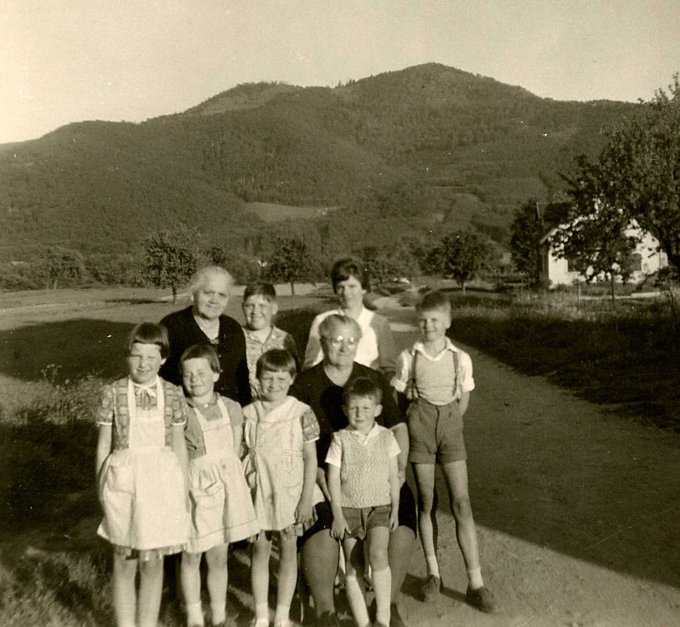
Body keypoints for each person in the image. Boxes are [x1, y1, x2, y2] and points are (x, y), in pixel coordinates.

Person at [291, 314, 416, 627]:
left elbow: (398, 426)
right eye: (335, 340)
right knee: (321, 523)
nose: (343, 347)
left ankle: (388, 605)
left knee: (400, 511)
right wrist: (314, 474)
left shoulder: (371, 378)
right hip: (322, 474)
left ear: (358, 344)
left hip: (375, 472)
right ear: (323, 343)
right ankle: (324, 609)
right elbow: (290, 436)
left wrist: (399, 469)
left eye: (350, 341)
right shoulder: (306, 383)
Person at [391, 291, 496, 613]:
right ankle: (433, 574)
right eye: (422, 320)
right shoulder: (409, 356)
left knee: (461, 503)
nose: (429, 326)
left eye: (435, 320)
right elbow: (399, 397)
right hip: (420, 428)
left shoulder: (459, 357)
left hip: (449, 429)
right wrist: (416, 420)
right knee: (427, 501)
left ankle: (475, 582)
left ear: (448, 322)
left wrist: (449, 420)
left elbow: (463, 398)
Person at [96, 322, 189, 627]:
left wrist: (183, 490)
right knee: (124, 560)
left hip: (162, 483)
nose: (144, 364)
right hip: (123, 481)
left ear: (163, 359)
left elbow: (178, 445)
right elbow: (104, 446)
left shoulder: (174, 394)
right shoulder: (113, 392)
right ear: (127, 356)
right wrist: (101, 490)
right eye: (137, 356)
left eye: (151, 357)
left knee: (153, 560)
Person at [179, 344, 260, 627]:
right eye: (188, 374)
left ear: (215, 374)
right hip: (196, 488)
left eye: (201, 372)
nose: (194, 379)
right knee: (191, 555)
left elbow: (236, 449)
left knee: (219, 556)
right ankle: (193, 617)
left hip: (227, 488)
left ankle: (220, 614)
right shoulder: (181, 411)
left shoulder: (232, 408)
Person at [242, 349, 321, 627]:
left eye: (280, 378)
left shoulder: (301, 412)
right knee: (260, 550)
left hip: (290, 490)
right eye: (267, 378)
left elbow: (310, 458)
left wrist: (305, 499)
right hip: (259, 489)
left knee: (288, 549)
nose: (273, 385)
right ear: (257, 380)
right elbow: (241, 456)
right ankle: (262, 614)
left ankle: (283, 615)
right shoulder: (249, 413)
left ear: (291, 379)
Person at [327, 378, 400, 627]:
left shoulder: (387, 437)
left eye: (366, 408)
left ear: (378, 410)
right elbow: (333, 479)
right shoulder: (340, 439)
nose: (360, 413)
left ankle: (382, 619)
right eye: (354, 408)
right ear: (345, 410)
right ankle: (362, 622)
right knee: (353, 564)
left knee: (378, 554)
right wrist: (337, 514)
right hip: (348, 509)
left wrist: (396, 509)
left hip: (380, 507)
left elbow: (393, 476)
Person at [160, 265, 250, 407]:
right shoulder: (171, 327)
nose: (214, 300)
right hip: (184, 415)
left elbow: (242, 379)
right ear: (193, 295)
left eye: (222, 295)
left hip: (229, 416)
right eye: (208, 293)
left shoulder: (233, 328)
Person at [303, 257, 397, 378]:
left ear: (363, 288)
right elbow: (311, 364)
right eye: (341, 287)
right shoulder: (322, 321)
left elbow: (389, 367)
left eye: (352, 286)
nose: (346, 293)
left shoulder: (379, 323)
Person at [241, 281, 299, 399]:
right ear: (243, 307)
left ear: (274, 308)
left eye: (262, 306)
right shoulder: (236, 338)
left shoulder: (285, 339)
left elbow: (295, 375)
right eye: (250, 305)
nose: (255, 312)